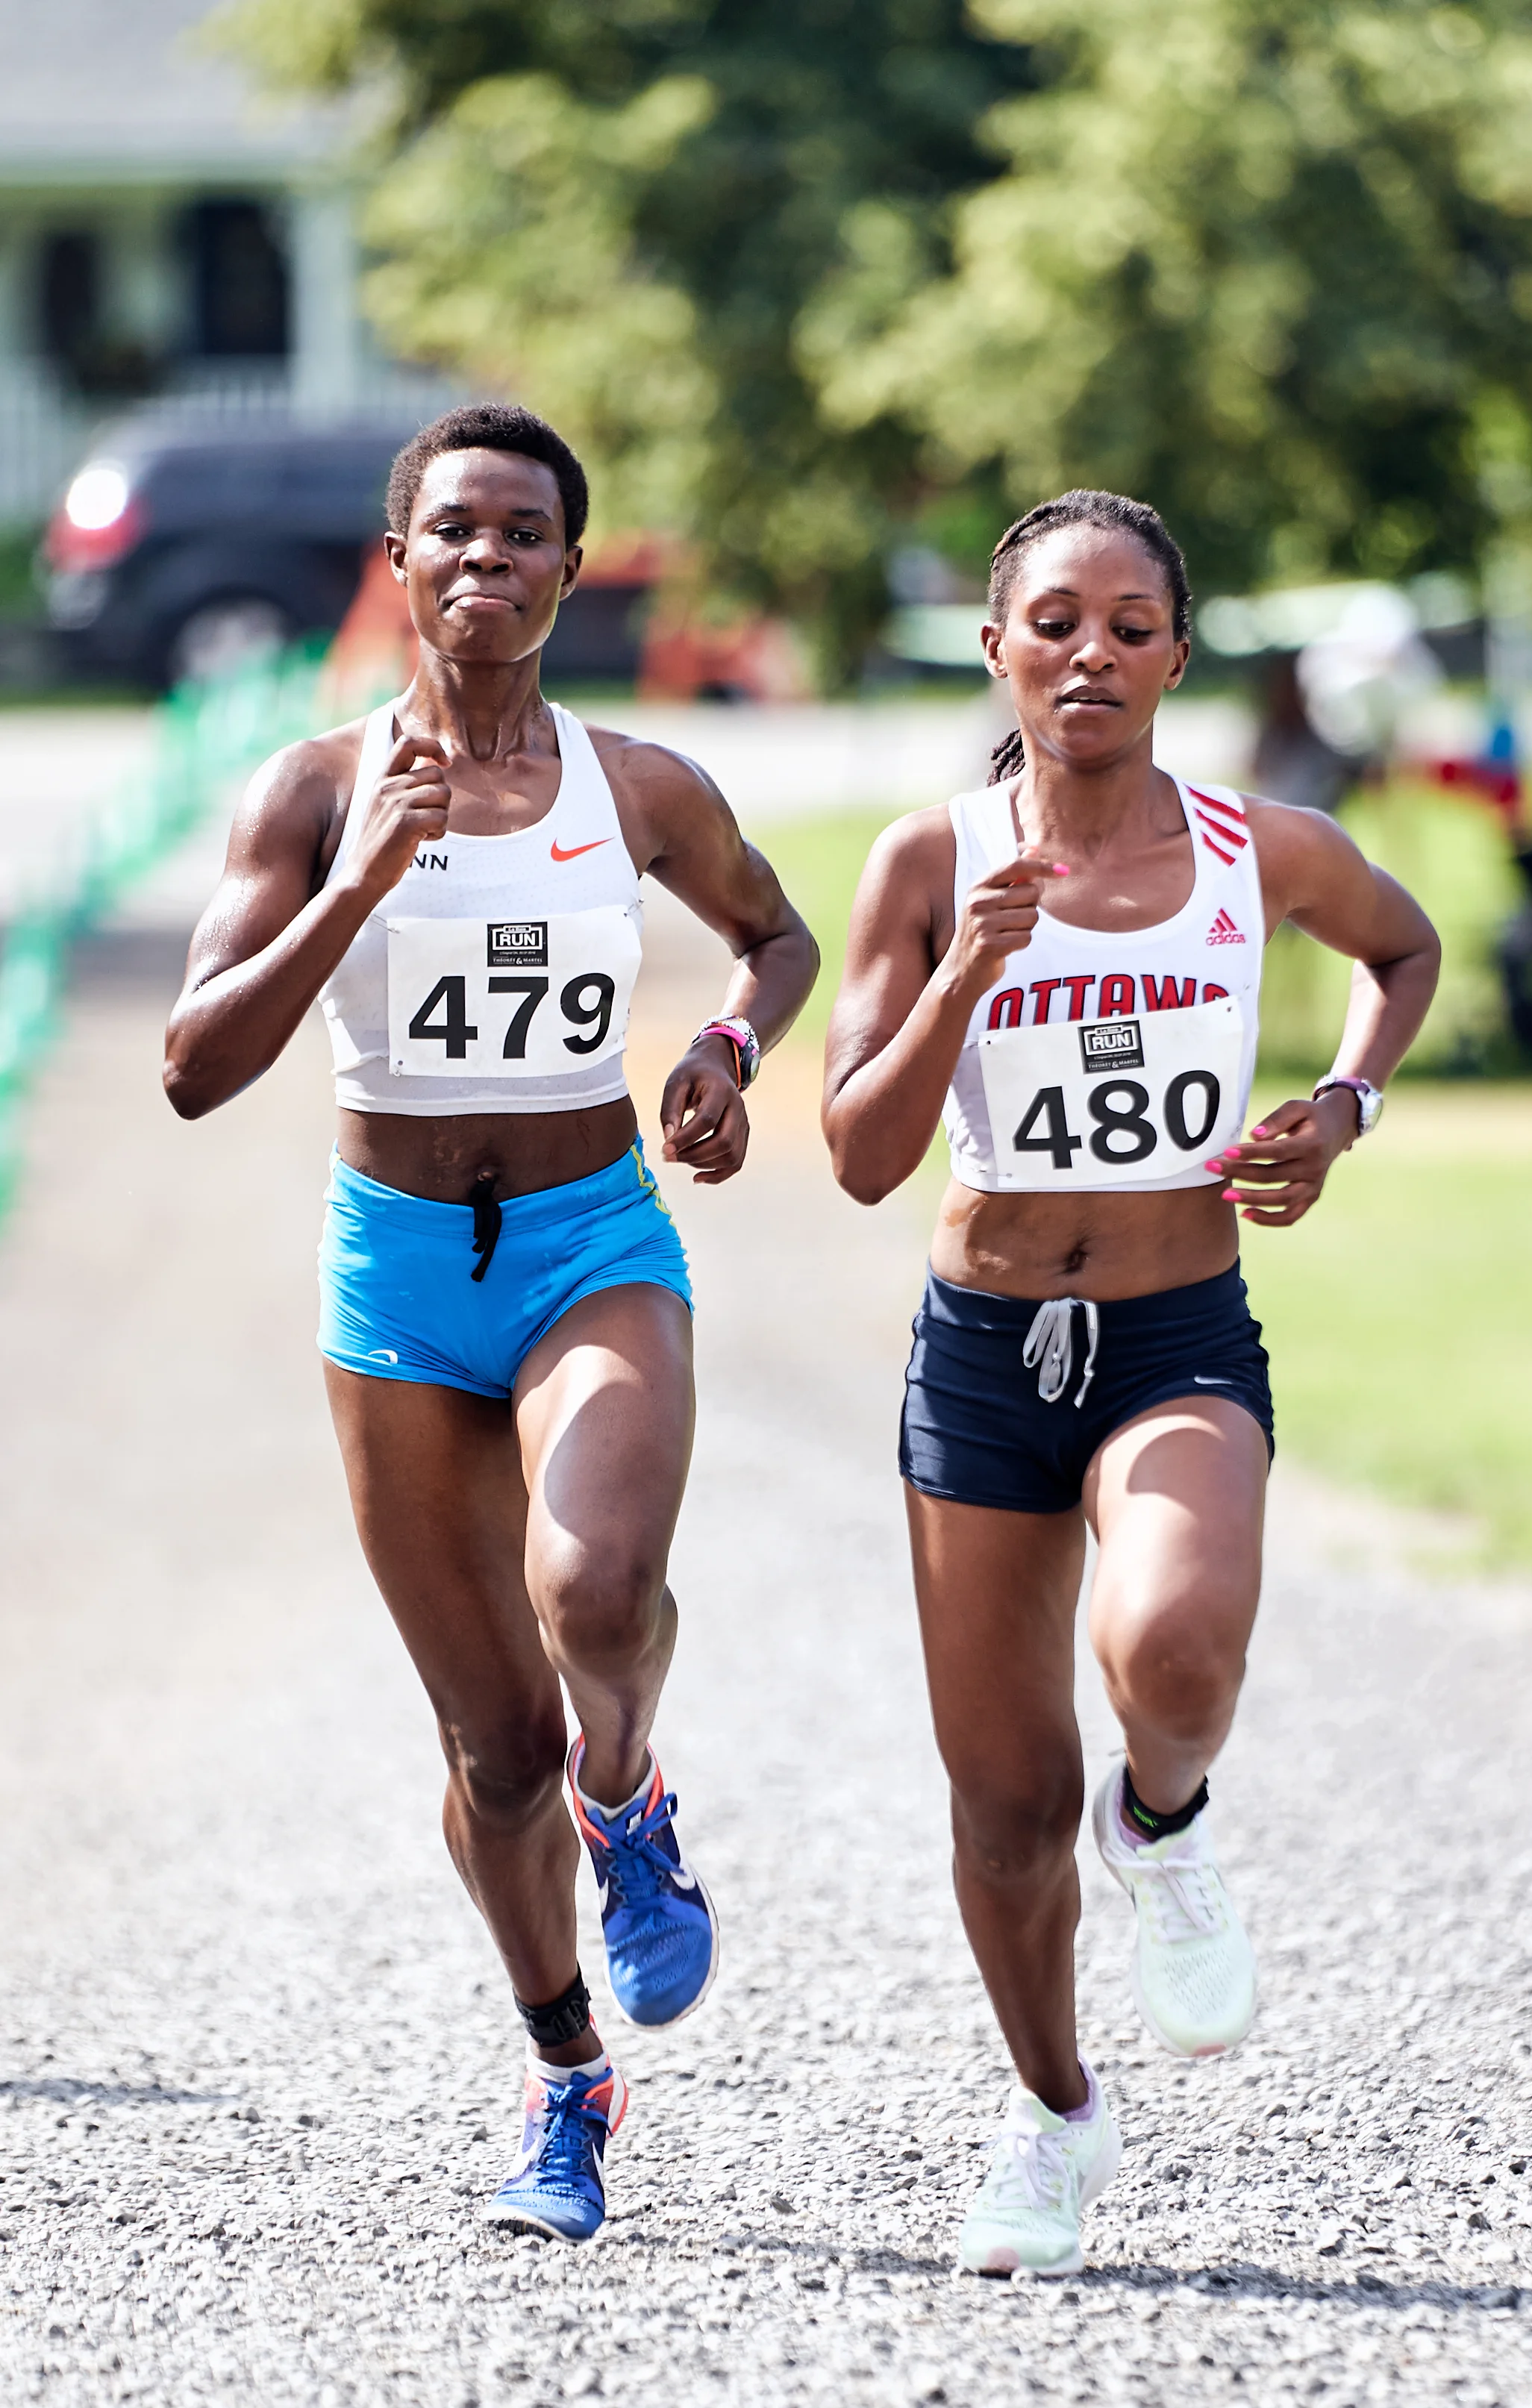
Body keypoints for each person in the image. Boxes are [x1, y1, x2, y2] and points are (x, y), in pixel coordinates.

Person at [165, 402, 817, 2243]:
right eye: (451, 530)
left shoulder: (643, 787)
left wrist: (723, 1043)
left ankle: (635, 1798)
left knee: (597, 1592)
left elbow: (780, 941)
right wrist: (359, 880)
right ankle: (565, 2076)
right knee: (489, 1753)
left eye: (524, 533)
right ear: (400, 564)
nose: (486, 560)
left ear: (568, 566)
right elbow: (195, 1065)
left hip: (587, 1235)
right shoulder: (306, 790)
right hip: (392, 1274)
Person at [822, 490, 1439, 2278]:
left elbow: (1400, 951)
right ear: (999, 648)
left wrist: (1342, 1106)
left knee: (1172, 1649)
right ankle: (1052, 2112)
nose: (1088, 652)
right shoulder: (926, 861)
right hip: (985, 1350)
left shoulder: (1263, 846)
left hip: (1178, 1332)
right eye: (1053, 622)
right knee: (1005, 1807)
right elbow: (861, 1154)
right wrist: (966, 967)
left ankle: (1164, 1819)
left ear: (1176, 652)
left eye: (1128, 624)